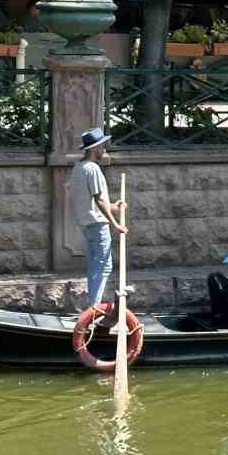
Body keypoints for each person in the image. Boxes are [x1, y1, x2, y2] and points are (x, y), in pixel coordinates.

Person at [69, 127, 127, 315]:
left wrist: (114, 206)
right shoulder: (93, 169)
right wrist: (116, 223)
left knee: (96, 264)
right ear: (95, 148)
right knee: (103, 265)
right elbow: (98, 199)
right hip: (96, 223)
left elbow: (95, 200)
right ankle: (94, 307)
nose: (104, 149)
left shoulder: (79, 167)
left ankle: (92, 305)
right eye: (102, 146)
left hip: (86, 222)